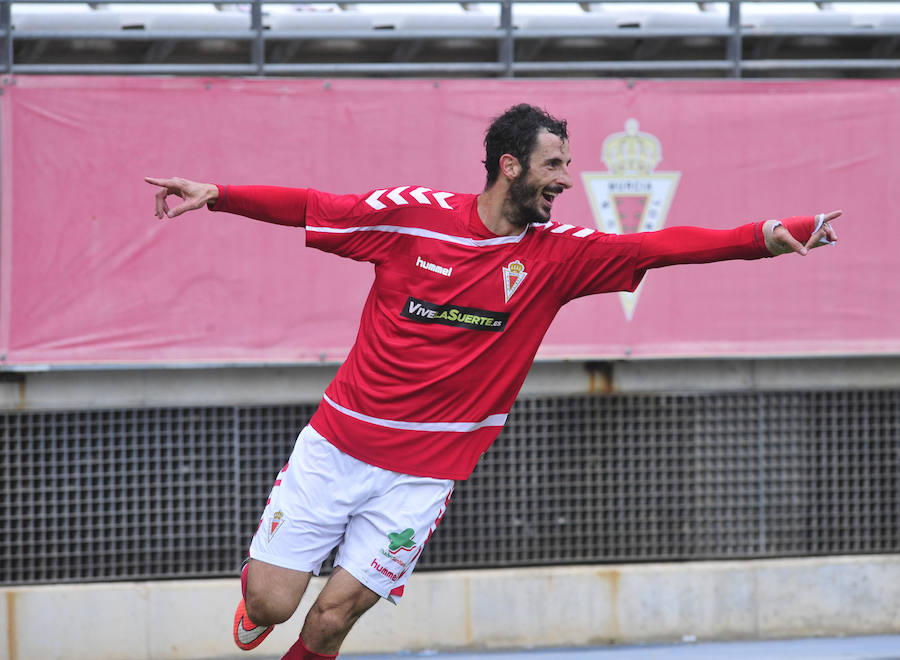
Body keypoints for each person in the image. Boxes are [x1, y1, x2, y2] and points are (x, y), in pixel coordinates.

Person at [145, 103, 840, 660]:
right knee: (274, 605)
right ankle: (256, 601)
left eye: (568, 165)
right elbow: (316, 206)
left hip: (423, 477)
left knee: (329, 624)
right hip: (335, 449)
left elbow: (657, 247)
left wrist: (763, 235)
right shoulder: (413, 217)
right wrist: (218, 195)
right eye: (555, 165)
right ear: (510, 166)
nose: (568, 180)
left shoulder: (559, 258)